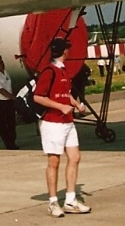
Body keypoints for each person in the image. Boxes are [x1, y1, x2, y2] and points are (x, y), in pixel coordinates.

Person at [32, 37, 90, 217]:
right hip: (52, 123)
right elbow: (38, 97)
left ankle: (70, 200)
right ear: (64, 51)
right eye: (67, 49)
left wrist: (76, 104)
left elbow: (66, 93)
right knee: (54, 162)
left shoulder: (63, 70)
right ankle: (52, 202)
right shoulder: (49, 71)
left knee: (75, 157)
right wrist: (60, 106)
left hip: (67, 122)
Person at [0, 54, 18, 149]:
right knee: (2, 124)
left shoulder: (6, 73)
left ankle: (12, 141)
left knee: (11, 122)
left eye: (2, 62)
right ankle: (8, 143)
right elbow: (0, 89)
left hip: (8, 101)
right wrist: (12, 97)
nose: (2, 64)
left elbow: (8, 87)